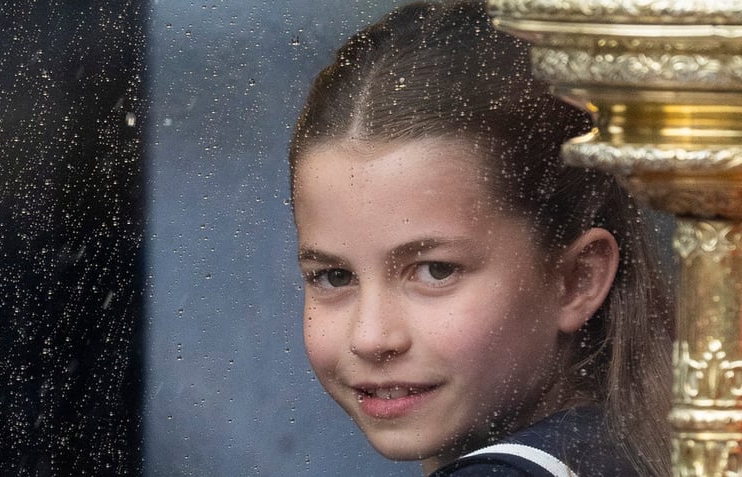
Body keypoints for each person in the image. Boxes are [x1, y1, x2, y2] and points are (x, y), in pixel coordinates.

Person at [288, 1, 674, 476]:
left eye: (436, 270)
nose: (371, 337)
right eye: (333, 276)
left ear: (577, 279)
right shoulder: (630, 446)